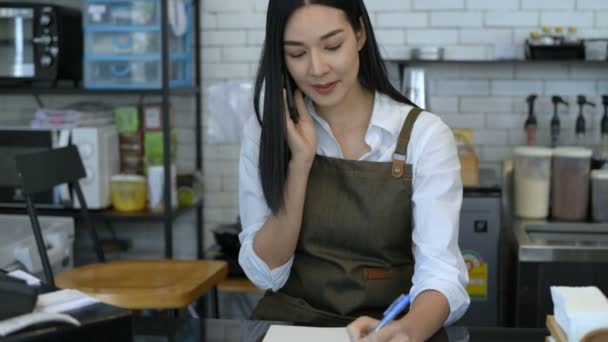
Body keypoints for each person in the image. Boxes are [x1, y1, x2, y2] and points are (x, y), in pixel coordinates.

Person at [238, 0, 470, 341]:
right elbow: (266, 274)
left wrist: (405, 331)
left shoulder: (423, 136)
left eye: (332, 46)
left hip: (391, 328)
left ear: (359, 34)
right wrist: (299, 164)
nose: (317, 69)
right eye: (297, 53)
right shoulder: (267, 133)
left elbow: (441, 273)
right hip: (292, 329)